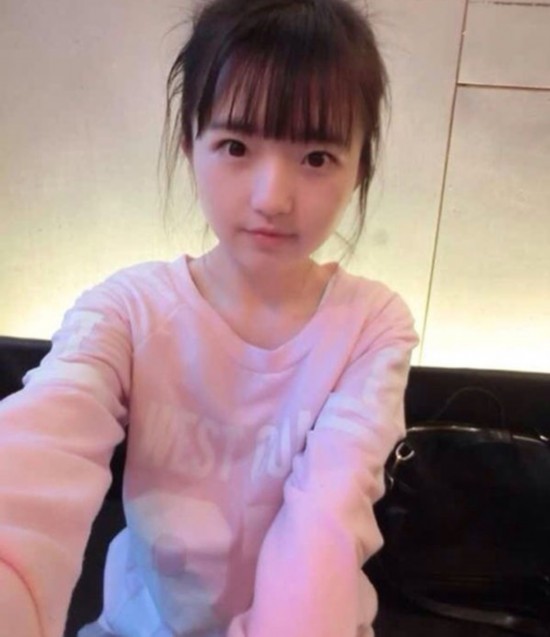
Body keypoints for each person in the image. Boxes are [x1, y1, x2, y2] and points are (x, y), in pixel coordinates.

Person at [0, 0, 418, 635]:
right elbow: (39, 448)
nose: (271, 198)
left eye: (315, 157)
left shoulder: (371, 326)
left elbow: (325, 527)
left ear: (360, 167)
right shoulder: (129, 309)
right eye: (235, 145)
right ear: (188, 143)